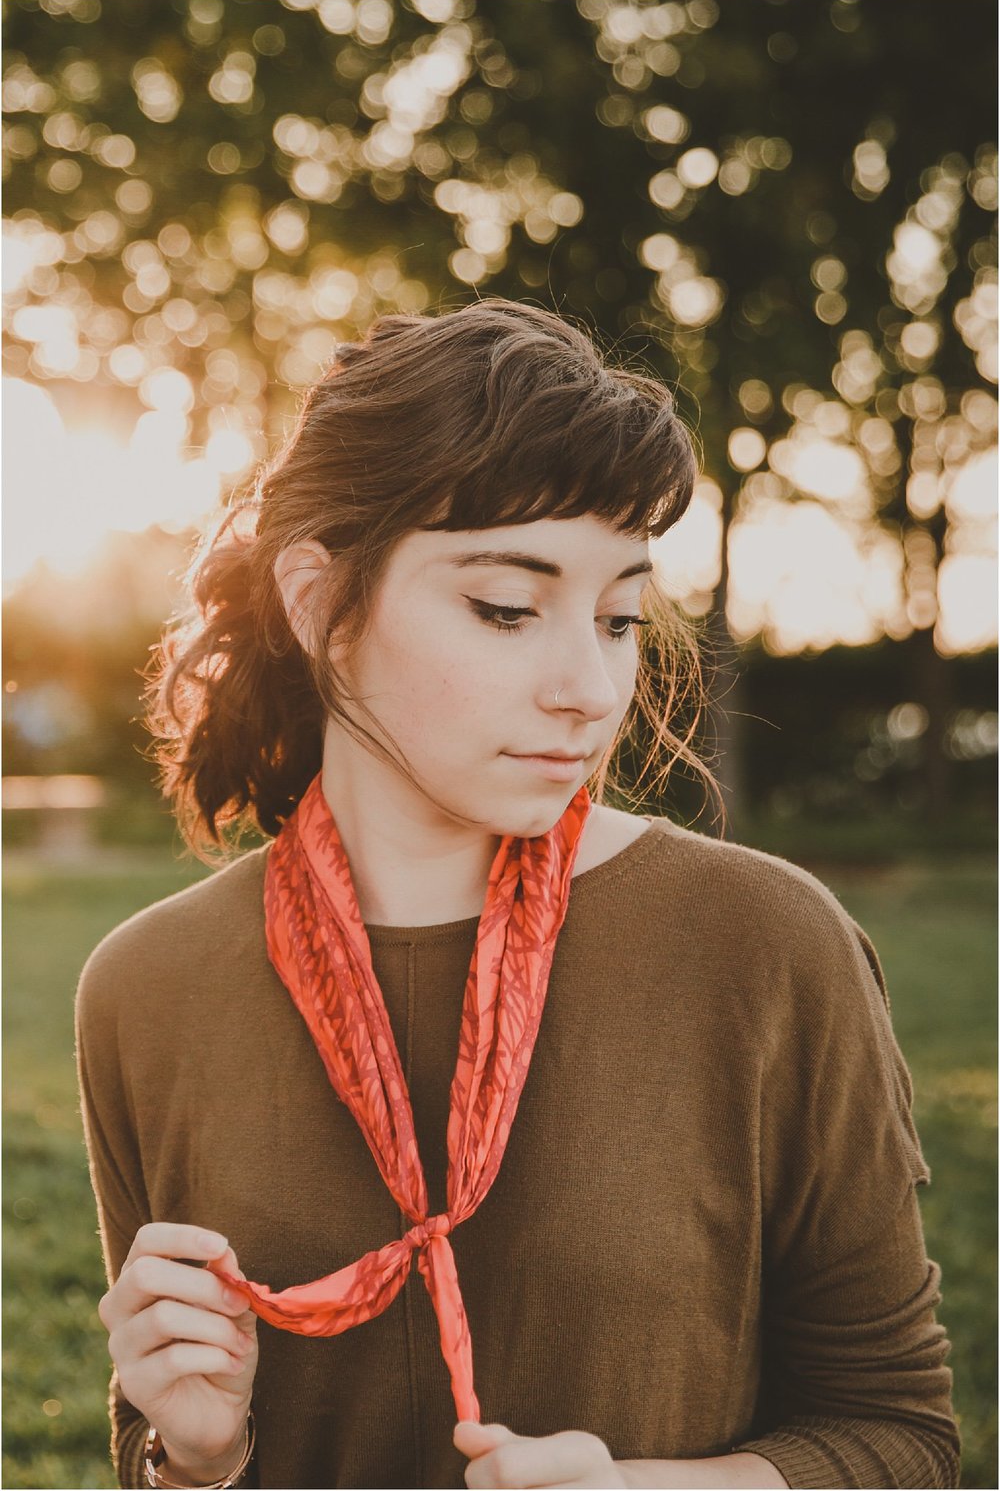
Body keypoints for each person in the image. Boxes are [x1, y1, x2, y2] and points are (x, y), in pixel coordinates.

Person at [75, 298, 960, 1491]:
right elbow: (155, 1457)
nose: (589, 688)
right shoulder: (144, 988)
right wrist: (200, 1456)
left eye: (619, 618)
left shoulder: (766, 946)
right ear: (317, 603)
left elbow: (899, 1434)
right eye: (505, 608)